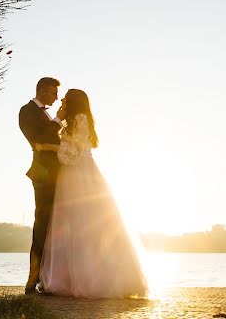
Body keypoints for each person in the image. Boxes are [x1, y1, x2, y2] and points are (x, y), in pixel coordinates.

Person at [39, 89, 147, 298]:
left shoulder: (79, 119)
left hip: (78, 175)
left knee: (83, 224)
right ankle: (72, 278)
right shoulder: (75, 119)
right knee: (73, 225)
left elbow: (73, 154)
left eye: (66, 97)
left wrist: (50, 148)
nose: (61, 99)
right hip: (73, 175)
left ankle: (91, 279)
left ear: (73, 101)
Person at [18, 76, 62, 295]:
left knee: (57, 225)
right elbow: (38, 140)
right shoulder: (27, 111)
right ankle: (32, 279)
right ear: (43, 91)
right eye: (54, 93)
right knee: (42, 224)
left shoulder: (43, 113)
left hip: (56, 174)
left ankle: (51, 276)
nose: (56, 97)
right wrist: (57, 121)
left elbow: (51, 141)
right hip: (43, 175)